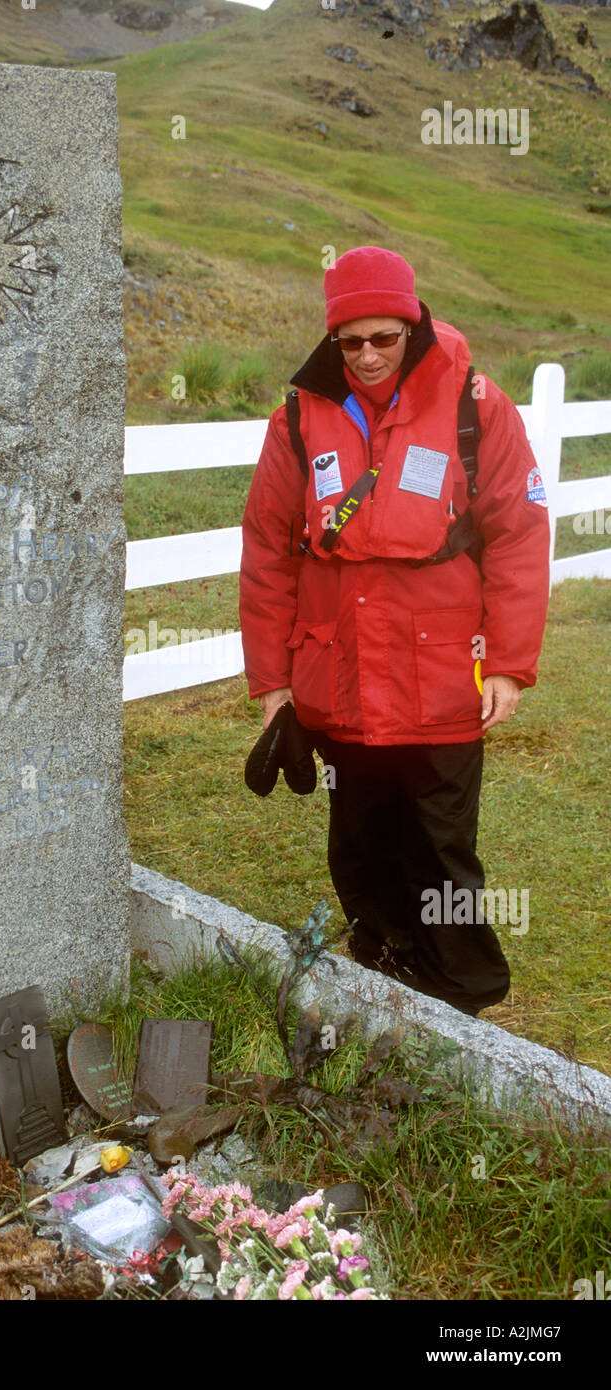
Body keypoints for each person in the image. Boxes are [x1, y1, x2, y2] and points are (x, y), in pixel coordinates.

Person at [239, 245, 550, 1015]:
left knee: (440, 845)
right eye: (353, 342)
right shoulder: (299, 415)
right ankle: (380, 952)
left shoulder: (478, 405)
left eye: (386, 337)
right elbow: (269, 548)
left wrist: (509, 662)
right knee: (360, 839)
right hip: (336, 676)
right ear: (332, 339)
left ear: (413, 323)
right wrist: (273, 683)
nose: (370, 355)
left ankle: (464, 987)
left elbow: (518, 534)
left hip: (445, 675)